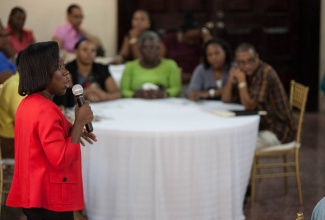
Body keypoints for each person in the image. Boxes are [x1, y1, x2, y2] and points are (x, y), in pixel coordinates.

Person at [6, 41, 96, 220]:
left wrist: (72, 131)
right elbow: (61, 159)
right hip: (50, 198)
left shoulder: (29, 103)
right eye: (59, 67)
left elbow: (42, 140)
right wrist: (78, 124)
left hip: (34, 194)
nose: (66, 72)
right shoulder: (46, 110)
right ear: (42, 73)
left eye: (64, 66)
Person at [222, 43, 296, 149]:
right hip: (261, 126)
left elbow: (249, 106)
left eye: (250, 61)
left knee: (238, 146)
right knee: (229, 139)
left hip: (278, 130)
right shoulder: (242, 72)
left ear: (257, 57)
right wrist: (230, 79)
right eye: (242, 62)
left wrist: (242, 82)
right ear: (236, 63)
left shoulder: (265, 72)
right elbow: (225, 100)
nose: (247, 66)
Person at [53, 39, 121, 108]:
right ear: (76, 51)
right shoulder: (67, 70)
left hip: (103, 107)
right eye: (85, 50)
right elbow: (65, 99)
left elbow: (118, 94)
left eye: (93, 50)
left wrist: (103, 96)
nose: (89, 53)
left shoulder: (102, 68)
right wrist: (86, 92)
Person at [120, 31, 181, 99]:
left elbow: (176, 88)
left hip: (164, 103)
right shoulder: (130, 66)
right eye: (149, 47)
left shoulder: (170, 65)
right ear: (140, 48)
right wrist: (136, 95)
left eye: (156, 48)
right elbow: (124, 90)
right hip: (136, 104)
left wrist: (164, 94)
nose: (153, 51)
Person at [161, 12, 212, 85]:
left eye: (195, 39)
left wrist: (207, 38)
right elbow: (159, 61)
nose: (192, 42)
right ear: (181, 33)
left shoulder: (201, 41)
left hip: (195, 80)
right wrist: (175, 74)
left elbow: (209, 60)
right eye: (189, 38)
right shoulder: (169, 39)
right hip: (171, 78)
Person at [0, 52, 24, 159]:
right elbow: (23, 122)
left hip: (15, 139)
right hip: (12, 141)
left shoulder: (22, 82)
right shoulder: (16, 86)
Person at [0, 19, 16, 84]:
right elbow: (8, 81)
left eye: (6, 35)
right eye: (1, 36)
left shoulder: (4, 54)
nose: (6, 38)